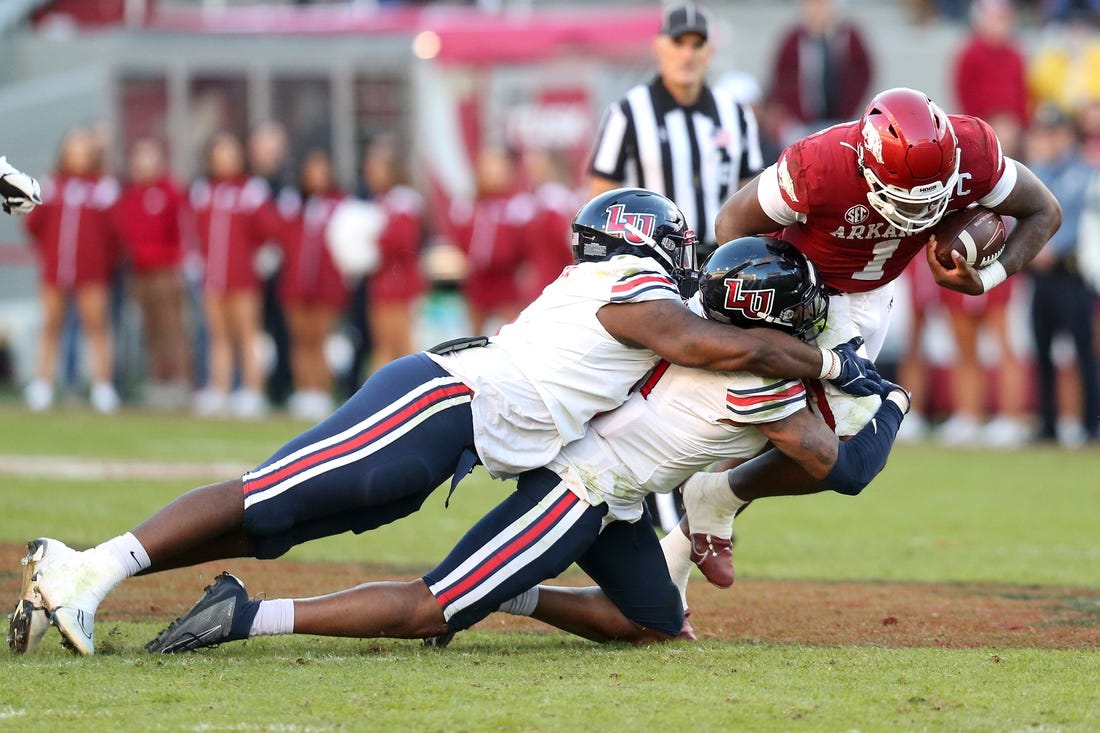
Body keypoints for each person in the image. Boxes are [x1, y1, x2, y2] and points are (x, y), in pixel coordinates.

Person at [8, 189, 883, 656]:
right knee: (269, 496)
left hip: (474, 432)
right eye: (675, 244)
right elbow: (708, 344)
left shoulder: (642, 298)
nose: (684, 260)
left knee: (278, 523)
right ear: (642, 241)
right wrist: (832, 363)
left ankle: (99, 576)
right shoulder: (624, 288)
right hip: (443, 401)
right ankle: (86, 568)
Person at [674, 86, 1063, 587]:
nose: (921, 215)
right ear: (868, 164)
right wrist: (780, 297)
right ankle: (681, 538)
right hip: (807, 297)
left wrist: (987, 278)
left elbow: (1044, 210)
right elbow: (731, 224)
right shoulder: (819, 164)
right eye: (908, 198)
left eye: (934, 199)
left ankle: (693, 530)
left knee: (771, 437)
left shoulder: (974, 150)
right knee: (838, 445)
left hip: (876, 299)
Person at [588, 2, 763, 261]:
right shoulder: (627, 113)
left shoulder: (736, 114)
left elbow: (750, 191)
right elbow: (601, 197)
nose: (687, 55)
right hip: (650, 261)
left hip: (719, 260)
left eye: (696, 45)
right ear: (658, 47)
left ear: (710, 51)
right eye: (678, 43)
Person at [22, 128, 122, 414]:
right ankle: (43, 384)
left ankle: (103, 386)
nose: (77, 154)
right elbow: (33, 224)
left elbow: (115, 233)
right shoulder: (51, 185)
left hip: (91, 272)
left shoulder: (103, 187)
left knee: (96, 327)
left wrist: (102, 261)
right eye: (72, 149)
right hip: (55, 270)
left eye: (83, 149)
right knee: (51, 326)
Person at [1026, 105, 1100, 446]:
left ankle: (1091, 423)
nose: (1048, 141)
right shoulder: (1035, 172)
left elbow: (1082, 222)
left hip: (1071, 273)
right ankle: (1048, 423)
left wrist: (1050, 248)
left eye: (1054, 133)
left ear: (1068, 136)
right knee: (1042, 351)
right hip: (1041, 276)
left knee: (1084, 351)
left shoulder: (1086, 173)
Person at [188, 131, 270, 419]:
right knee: (218, 336)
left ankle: (252, 390)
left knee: (247, 334)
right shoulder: (204, 190)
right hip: (213, 277)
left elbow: (265, 230)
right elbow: (197, 231)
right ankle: (219, 389)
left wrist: (255, 261)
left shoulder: (251, 190)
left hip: (243, 277)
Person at [267, 148, 347, 421]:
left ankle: (321, 391)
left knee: (320, 340)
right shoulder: (293, 205)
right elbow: (279, 236)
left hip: (325, 287)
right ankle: (304, 391)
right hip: (295, 285)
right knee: (300, 342)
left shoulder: (339, 204)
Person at [114, 138, 190, 410]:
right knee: (150, 330)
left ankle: (180, 381)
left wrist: (178, 262)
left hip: (165, 271)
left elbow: (182, 228)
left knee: (172, 328)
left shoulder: (169, 191)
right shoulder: (130, 194)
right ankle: (158, 381)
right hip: (139, 272)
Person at [765, 0, 873, 149]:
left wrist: (849, 109)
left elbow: (862, 73)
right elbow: (781, 77)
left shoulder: (848, 36)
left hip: (841, 120)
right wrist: (794, 112)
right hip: (803, 123)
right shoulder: (794, 39)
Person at [362, 135, 426, 374]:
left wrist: (371, 240)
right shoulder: (383, 201)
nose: (371, 173)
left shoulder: (403, 202)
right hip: (383, 283)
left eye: (377, 168)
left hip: (399, 286)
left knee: (400, 345)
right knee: (384, 344)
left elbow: (402, 241)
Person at [448, 145, 526, 336]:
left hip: (506, 281)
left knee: (513, 332)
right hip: (476, 281)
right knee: (471, 335)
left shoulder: (517, 205)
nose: (492, 174)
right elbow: (458, 239)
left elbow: (526, 243)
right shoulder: (467, 205)